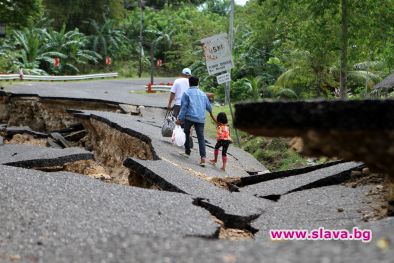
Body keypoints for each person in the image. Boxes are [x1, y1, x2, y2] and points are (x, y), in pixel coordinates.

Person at [176, 76, 215, 167]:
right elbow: (209, 108)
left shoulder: (186, 93)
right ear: (198, 83)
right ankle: (203, 158)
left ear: (189, 83)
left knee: (186, 132)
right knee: (201, 138)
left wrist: (180, 119)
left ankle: (187, 152)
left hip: (189, 118)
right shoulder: (203, 94)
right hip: (201, 119)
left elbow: (184, 108)